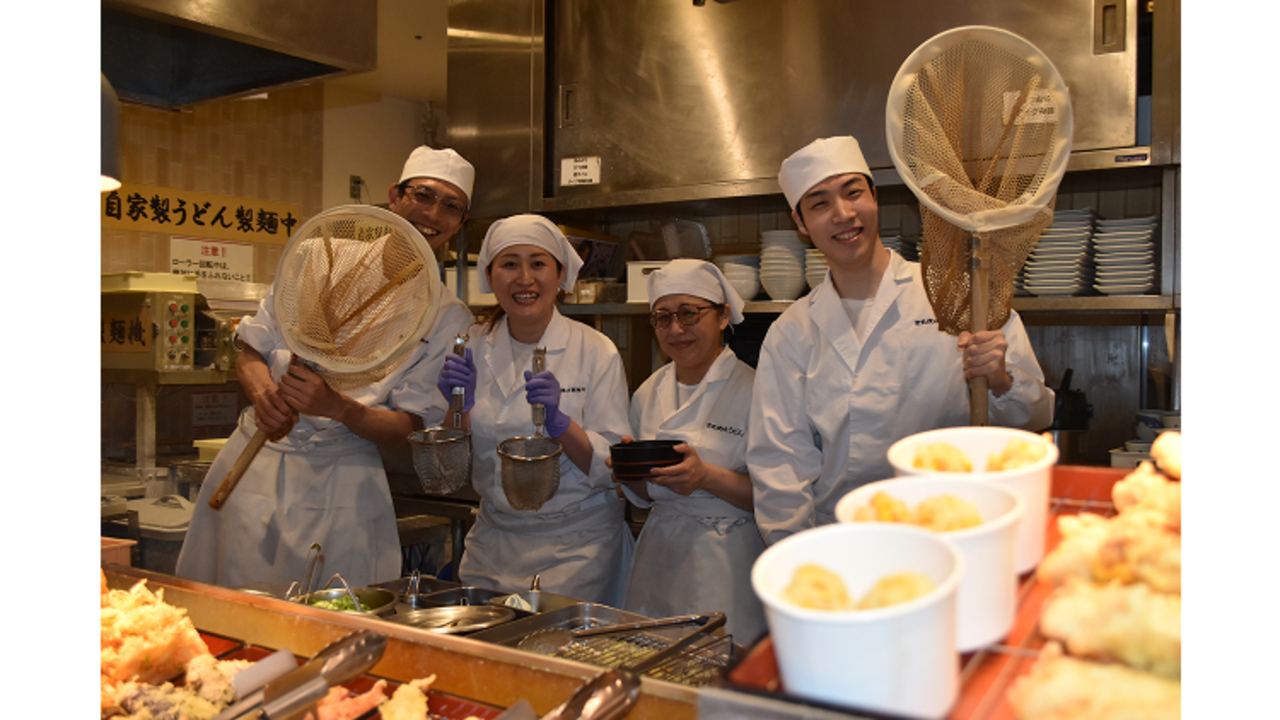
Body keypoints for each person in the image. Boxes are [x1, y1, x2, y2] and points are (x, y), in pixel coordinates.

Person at [176, 146, 477, 589]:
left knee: (336, 620)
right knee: (234, 609)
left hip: (343, 482)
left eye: (451, 206)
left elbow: (412, 427)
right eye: (423, 195)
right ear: (394, 196)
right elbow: (252, 350)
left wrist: (338, 407)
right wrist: (264, 396)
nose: (433, 213)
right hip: (254, 467)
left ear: (461, 224)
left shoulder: (448, 316)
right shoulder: (320, 256)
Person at [748, 136, 1055, 546]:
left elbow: (1036, 418)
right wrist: (802, 555)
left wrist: (1001, 381)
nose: (843, 213)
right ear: (800, 223)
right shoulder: (791, 332)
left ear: (875, 198)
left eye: (853, 192)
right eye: (819, 203)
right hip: (844, 541)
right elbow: (779, 465)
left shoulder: (958, 295)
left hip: (952, 530)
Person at [435, 214, 634, 605]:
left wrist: (561, 424)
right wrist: (458, 410)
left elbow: (614, 469)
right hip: (493, 545)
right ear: (490, 277)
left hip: (577, 550)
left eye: (538, 263)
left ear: (560, 275)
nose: (524, 278)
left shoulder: (595, 351)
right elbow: (448, 468)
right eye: (509, 264)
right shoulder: (470, 346)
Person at [613, 259, 767, 643]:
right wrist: (629, 474)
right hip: (660, 556)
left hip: (730, 560)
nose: (675, 329)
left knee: (721, 676)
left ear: (722, 317)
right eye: (662, 318)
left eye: (689, 313)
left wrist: (705, 477)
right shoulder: (647, 393)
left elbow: (775, 494)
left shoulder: (758, 391)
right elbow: (644, 498)